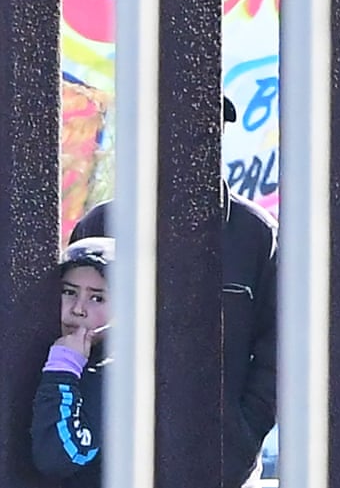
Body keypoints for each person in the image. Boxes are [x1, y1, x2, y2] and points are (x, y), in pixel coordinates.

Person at [51, 96, 277, 488]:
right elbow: (68, 327)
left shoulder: (254, 233)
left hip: (217, 464)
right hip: (108, 459)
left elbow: (279, 350)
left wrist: (241, 435)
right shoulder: (100, 223)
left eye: (206, 129)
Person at [30, 236, 115, 488]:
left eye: (97, 298)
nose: (78, 309)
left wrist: (64, 370)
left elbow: (61, 457)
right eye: (69, 292)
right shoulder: (38, 350)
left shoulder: (117, 372)